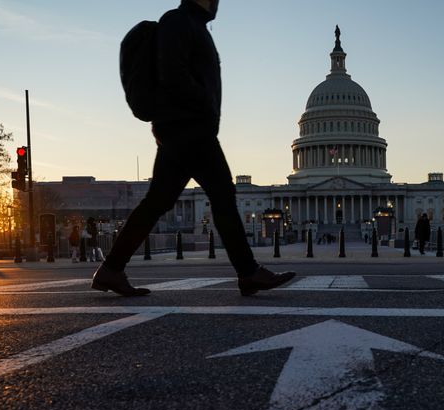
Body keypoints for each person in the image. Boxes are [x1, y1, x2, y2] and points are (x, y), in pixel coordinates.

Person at [92, 0, 294, 296]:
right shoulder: (178, 21)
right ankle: (249, 273)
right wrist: (203, 105)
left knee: (157, 203)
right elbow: (172, 73)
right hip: (190, 128)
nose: (217, 3)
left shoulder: (191, 25)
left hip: (181, 128)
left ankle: (111, 269)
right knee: (223, 196)